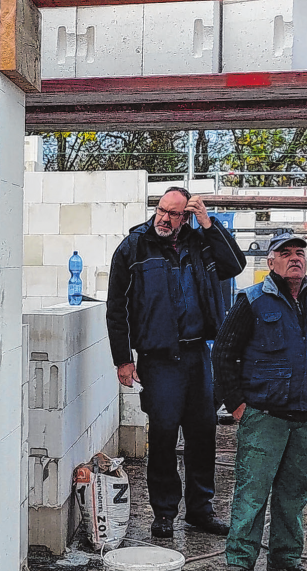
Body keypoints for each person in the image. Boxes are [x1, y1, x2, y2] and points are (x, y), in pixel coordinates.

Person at [106, 186, 247, 539]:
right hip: (159, 359)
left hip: (199, 355)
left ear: (186, 216)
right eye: (161, 210)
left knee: (203, 435)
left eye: (173, 214)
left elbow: (235, 265)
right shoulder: (134, 247)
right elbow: (115, 309)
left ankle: (200, 510)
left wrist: (209, 224)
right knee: (164, 436)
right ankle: (165, 513)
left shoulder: (201, 242)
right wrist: (123, 360)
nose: (164, 219)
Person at [212, 231, 307, 571]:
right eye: (285, 253)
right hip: (264, 417)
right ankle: (239, 561)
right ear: (271, 262)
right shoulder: (252, 301)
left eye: (300, 252)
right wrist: (238, 405)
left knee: (294, 494)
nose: (295, 257)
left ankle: (285, 560)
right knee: (252, 492)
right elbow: (223, 354)